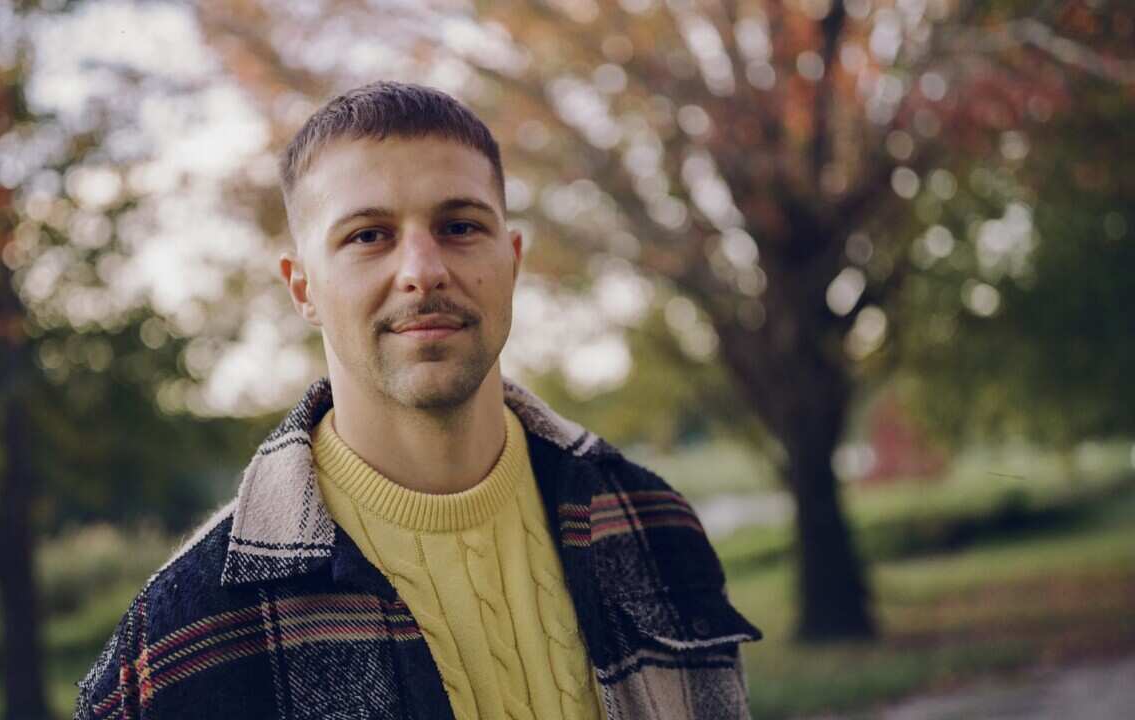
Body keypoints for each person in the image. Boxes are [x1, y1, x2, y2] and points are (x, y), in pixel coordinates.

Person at [75, 81, 761, 720]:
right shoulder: (178, 635)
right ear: (303, 287)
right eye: (368, 236)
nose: (423, 271)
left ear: (513, 262)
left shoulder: (653, 524)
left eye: (460, 227)